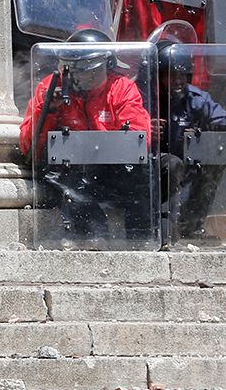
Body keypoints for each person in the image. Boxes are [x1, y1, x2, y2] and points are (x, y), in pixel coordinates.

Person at [19, 29, 154, 243]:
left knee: (145, 176)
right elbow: (28, 146)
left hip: (112, 170)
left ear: (108, 65)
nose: (81, 77)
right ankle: (89, 237)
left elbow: (139, 138)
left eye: (89, 70)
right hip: (68, 172)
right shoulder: (51, 87)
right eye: (74, 70)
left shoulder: (121, 88)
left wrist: (101, 145)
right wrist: (48, 111)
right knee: (72, 182)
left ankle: (140, 240)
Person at [153, 41, 226, 240]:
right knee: (172, 164)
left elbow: (221, 120)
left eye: (182, 75)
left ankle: (192, 226)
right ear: (159, 75)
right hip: (154, 166)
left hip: (186, 164)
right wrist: (148, 129)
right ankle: (157, 222)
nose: (177, 80)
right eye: (171, 75)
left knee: (213, 164)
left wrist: (203, 129)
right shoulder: (148, 97)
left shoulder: (197, 99)